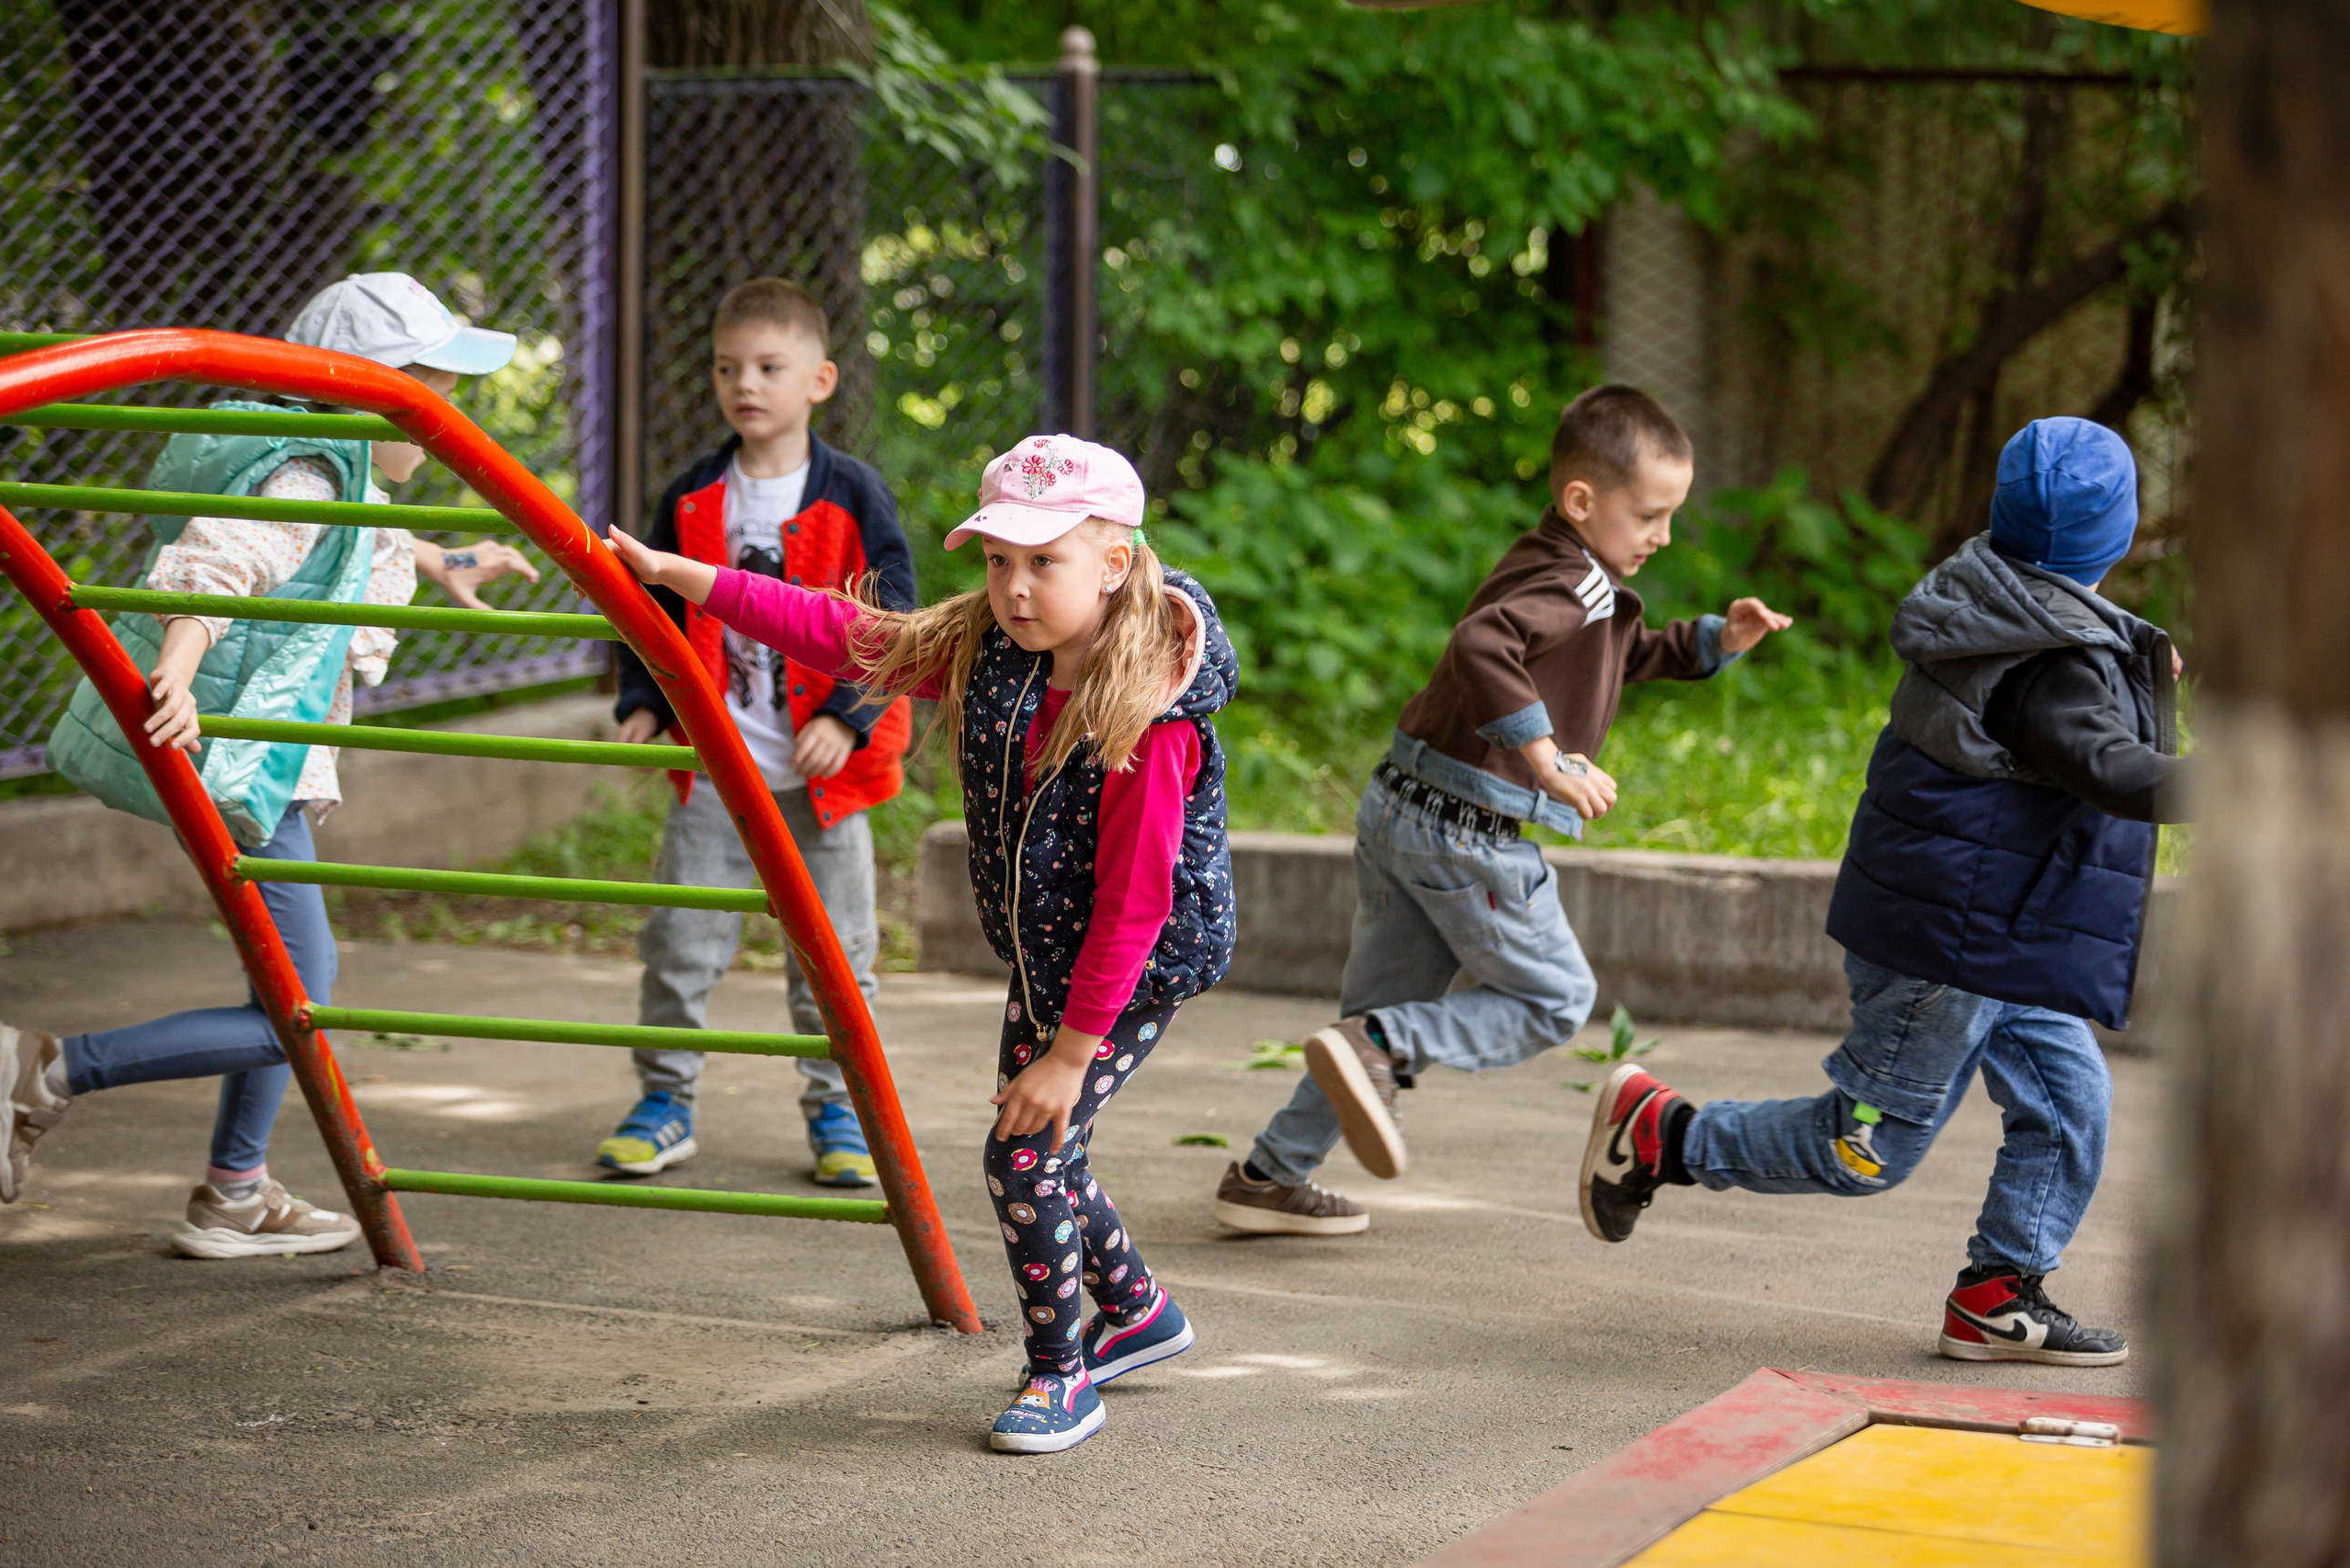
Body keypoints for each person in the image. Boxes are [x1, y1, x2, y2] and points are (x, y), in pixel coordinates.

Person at [607, 432, 1234, 1455]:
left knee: (1024, 1155)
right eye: (997, 559)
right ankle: (1139, 1312)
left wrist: (1072, 1054)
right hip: (1050, 953)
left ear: (1114, 564)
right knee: (1048, 1144)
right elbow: (840, 630)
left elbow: (1135, 904)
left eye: (1044, 561)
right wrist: (689, 578)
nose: (1014, 587)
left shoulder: (1149, 714)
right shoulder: (995, 647)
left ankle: (1059, 1374)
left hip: (1132, 969)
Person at [1579, 416, 2186, 1369]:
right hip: (1948, 949)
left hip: (1996, 929)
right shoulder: (2047, 663)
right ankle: (1665, 1135)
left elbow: (2072, 716)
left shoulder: (1994, 595)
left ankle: (1997, 1292)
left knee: (2071, 1105)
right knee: (1861, 1149)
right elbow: (2104, 764)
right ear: (2116, 533)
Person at [0, 271, 536, 1257]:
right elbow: (224, 560)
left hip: (268, 762)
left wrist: (446, 562)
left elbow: (358, 539)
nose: (444, 412)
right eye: (430, 386)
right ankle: (47, 1070)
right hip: (247, 762)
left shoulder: (345, 474)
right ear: (364, 390)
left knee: (280, 989)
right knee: (301, 1005)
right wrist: (175, 668)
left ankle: (235, 1190)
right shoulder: (309, 477)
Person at [1213, 384, 1791, 1236]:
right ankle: (1380, 1051)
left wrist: (1717, 641)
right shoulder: (1574, 581)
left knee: (1368, 1030)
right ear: (1582, 500)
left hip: (1402, 807)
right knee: (1554, 999)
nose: (1663, 535)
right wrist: (1545, 759)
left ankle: (1271, 1175)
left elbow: (1619, 653)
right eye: (1650, 515)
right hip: (1463, 833)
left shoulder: (1559, 565)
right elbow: (1482, 643)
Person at [596, 278, 915, 1188]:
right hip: (715, 770)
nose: (746, 384)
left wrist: (847, 718)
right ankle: (664, 1099)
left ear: (819, 380)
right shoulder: (694, 494)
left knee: (836, 955)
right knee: (681, 939)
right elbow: (648, 611)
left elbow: (894, 618)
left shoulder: (854, 495)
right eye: (727, 367)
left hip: (825, 781)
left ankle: (840, 1108)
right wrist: (646, 701)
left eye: (770, 367)